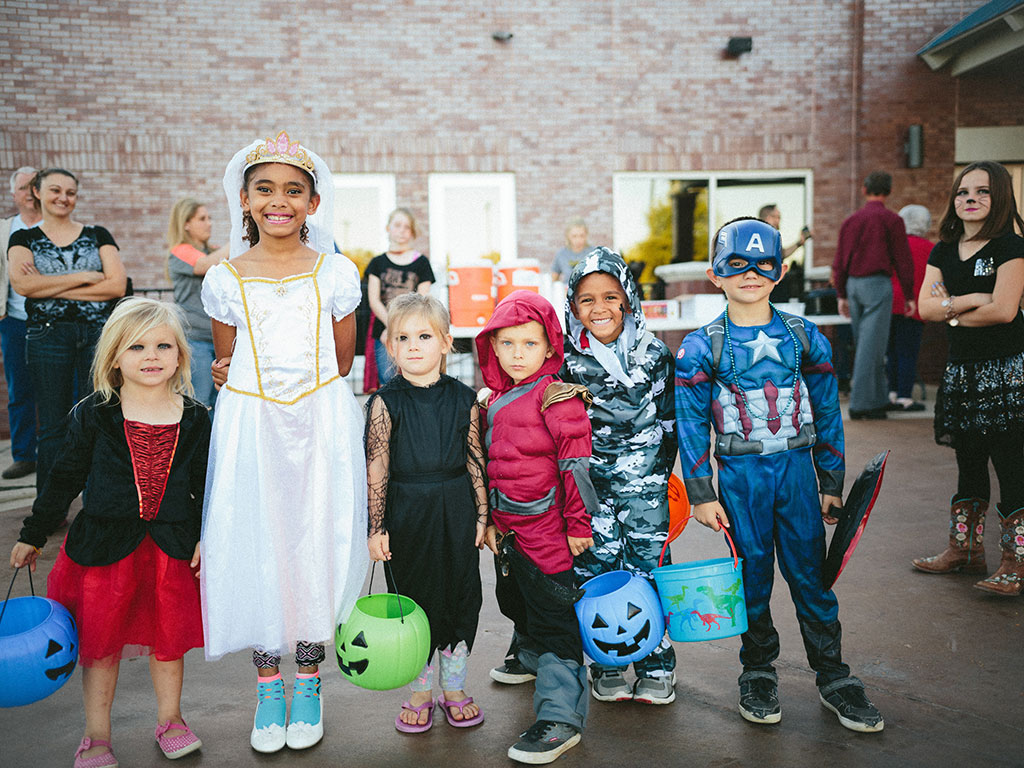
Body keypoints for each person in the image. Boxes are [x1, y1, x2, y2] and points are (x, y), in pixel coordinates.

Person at [676, 218, 885, 733]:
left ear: (782, 270)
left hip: (795, 473)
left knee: (811, 577)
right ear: (714, 274)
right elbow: (689, 420)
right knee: (751, 580)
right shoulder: (701, 347)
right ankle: (758, 670)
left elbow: (828, 412)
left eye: (763, 263)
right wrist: (701, 492)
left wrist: (831, 482)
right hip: (742, 478)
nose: (750, 273)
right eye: (736, 264)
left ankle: (833, 675)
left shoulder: (803, 336)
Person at [199, 131, 369, 753]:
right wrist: (230, 377)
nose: (279, 201)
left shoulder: (337, 273)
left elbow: (343, 357)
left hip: (319, 425)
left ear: (313, 204)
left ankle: (308, 679)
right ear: (244, 200)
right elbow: (227, 358)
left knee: (312, 543)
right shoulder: (223, 279)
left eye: (293, 191)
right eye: (265, 189)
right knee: (259, 545)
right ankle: (268, 688)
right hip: (253, 428)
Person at [10, 297, 209, 767]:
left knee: (167, 640)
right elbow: (64, 477)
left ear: (180, 354)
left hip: (171, 550)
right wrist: (34, 533)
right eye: (137, 347)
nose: (152, 356)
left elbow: (206, 485)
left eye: (164, 345)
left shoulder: (197, 417)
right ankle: (96, 735)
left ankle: (172, 720)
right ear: (115, 357)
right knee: (101, 647)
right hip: (104, 552)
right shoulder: (95, 413)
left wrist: (206, 534)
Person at [476, 290, 597, 764]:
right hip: (509, 532)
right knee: (518, 600)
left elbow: (576, 466)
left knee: (552, 617)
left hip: (549, 530)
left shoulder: (556, 396)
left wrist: (577, 524)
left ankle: (561, 716)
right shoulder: (499, 397)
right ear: (493, 348)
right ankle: (528, 657)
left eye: (530, 343)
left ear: (549, 347)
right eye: (508, 344)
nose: (518, 354)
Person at [364, 292, 487, 733]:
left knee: (460, 592)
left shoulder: (464, 398)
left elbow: (476, 456)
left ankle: (453, 687)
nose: (414, 345)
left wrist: (482, 514)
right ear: (390, 347)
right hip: (406, 511)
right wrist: (376, 526)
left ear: (446, 342)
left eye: (424, 335)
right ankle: (419, 690)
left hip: (455, 507)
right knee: (411, 598)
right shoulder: (385, 402)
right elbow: (376, 467)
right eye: (403, 337)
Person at [560, 247, 678, 703]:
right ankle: (606, 662)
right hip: (589, 495)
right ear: (572, 306)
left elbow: (670, 424)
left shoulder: (653, 355)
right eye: (587, 300)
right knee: (596, 569)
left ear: (628, 298)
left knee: (649, 570)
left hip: (645, 491)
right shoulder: (566, 360)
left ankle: (657, 664)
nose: (600, 308)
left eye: (611, 296)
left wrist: (655, 478)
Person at [911, 161, 1024, 597]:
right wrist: (975, 299)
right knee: (968, 459)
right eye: (962, 192)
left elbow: (1005, 311)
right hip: (962, 372)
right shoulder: (943, 250)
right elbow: (926, 308)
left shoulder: (1010, 247)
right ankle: (965, 551)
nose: (969, 199)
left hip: (1005, 370)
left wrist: (954, 311)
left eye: (982, 192)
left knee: (1009, 461)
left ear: (999, 199)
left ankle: (1016, 561)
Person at [7, 168, 127, 492]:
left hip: (95, 335)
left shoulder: (98, 233)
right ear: (37, 193)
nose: (63, 198)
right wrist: (85, 276)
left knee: (96, 417)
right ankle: (50, 505)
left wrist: (47, 287)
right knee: (53, 425)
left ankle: (96, 501)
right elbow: (22, 284)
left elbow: (116, 285)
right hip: (47, 336)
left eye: (70, 192)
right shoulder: (22, 239)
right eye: (55, 190)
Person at [832, 171, 915, 420]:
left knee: (868, 343)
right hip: (877, 284)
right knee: (872, 346)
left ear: (864, 190)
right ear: (888, 191)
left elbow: (840, 260)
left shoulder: (851, 221)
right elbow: (903, 259)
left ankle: (877, 400)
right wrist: (909, 294)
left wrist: (841, 294)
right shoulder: (892, 220)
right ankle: (860, 405)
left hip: (854, 285)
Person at [166, 196, 227, 409]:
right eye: (202, 218)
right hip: (195, 340)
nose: (209, 223)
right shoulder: (181, 251)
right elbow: (205, 265)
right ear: (186, 224)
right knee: (199, 403)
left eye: (209, 218)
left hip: (220, 339)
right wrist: (237, 239)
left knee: (222, 403)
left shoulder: (214, 250)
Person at [0, 166, 40, 479]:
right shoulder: (5, 229)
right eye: (24, 187)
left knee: (65, 388)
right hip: (13, 321)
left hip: (53, 323)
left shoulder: (53, 226)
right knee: (19, 389)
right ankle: (24, 454)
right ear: (14, 194)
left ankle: (63, 451)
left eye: (36, 186)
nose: (31, 193)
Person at [365, 208, 434, 387]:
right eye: (397, 225)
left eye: (407, 227)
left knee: (415, 380)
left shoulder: (422, 263)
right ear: (388, 228)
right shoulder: (377, 263)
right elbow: (374, 300)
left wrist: (399, 329)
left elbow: (421, 301)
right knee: (388, 382)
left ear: (412, 232)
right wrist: (392, 327)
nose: (402, 230)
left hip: (413, 332)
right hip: (384, 332)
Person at [885, 205, 932, 412]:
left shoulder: (893, 246)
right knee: (908, 353)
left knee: (892, 352)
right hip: (914, 305)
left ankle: (892, 393)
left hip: (889, 304)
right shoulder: (931, 248)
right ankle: (905, 397)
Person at [759, 203, 812, 304]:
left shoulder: (772, 236)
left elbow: (782, 254)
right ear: (769, 218)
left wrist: (799, 243)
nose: (779, 220)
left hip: (774, 285)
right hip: (770, 286)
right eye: (777, 217)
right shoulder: (763, 236)